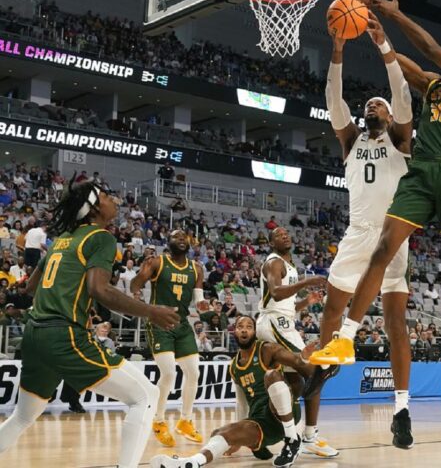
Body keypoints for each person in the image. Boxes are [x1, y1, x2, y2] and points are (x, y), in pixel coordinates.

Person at [311, 0, 441, 389]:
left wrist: (393, 15)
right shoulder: (437, 88)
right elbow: (409, 70)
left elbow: (431, 51)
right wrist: (374, 33)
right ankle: (346, 339)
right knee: (385, 247)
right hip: (422, 171)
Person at [0, 177, 180, 468]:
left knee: (22, 417)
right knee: (146, 395)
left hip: (35, 335)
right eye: (107, 196)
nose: (114, 200)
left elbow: (30, 288)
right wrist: (151, 311)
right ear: (94, 207)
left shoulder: (62, 240)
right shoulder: (101, 238)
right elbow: (100, 289)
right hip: (63, 335)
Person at [315, 9, 415, 446]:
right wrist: (337, 50)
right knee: (330, 314)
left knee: (396, 324)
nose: (371, 106)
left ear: (390, 117)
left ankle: (402, 408)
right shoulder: (350, 141)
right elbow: (333, 100)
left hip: (393, 236)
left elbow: (404, 94)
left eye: (379, 105)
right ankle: (312, 407)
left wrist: (382, 46)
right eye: (368, 105)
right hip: (357, 235)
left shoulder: (399, 141)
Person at [149, 315, 334, 468]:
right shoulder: (234, 367)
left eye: (249, 326)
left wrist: (303, 357)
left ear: (255, 332)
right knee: (221, 433)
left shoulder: (266, 349)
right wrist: (239, 437)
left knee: (271, 376)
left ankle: (292, 439)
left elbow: (295, 361)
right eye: (240, 326)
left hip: (282, 412)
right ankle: (191, 462)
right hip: (261, 423)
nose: (244, 329)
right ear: (234, 331)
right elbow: (241, 402)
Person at [255, 227, 337, 458]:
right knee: (317, 369)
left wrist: (306, 302)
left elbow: (286, 303)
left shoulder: (288, 265)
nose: (285, 236)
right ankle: (309, 435)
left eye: (286, 233)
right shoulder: (274, 263)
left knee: (294, 385)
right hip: (273, 322)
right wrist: (307, 281)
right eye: (278, 235)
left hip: (283, 320)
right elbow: (277, 293)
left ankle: (279, 432)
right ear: (271, 243)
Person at [131, 229, 205, 447]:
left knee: (193, 372)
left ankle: (185, 420)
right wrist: (137, 293)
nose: (181, 239)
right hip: (159, 322)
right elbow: (136, 284)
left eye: (184, 237)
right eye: (176, 237)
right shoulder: (157, 262)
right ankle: (159, 420)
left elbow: (199, 300)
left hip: (182, 325)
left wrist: (204, 306)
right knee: (169, 372)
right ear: (168, 242)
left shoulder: (196, 269)